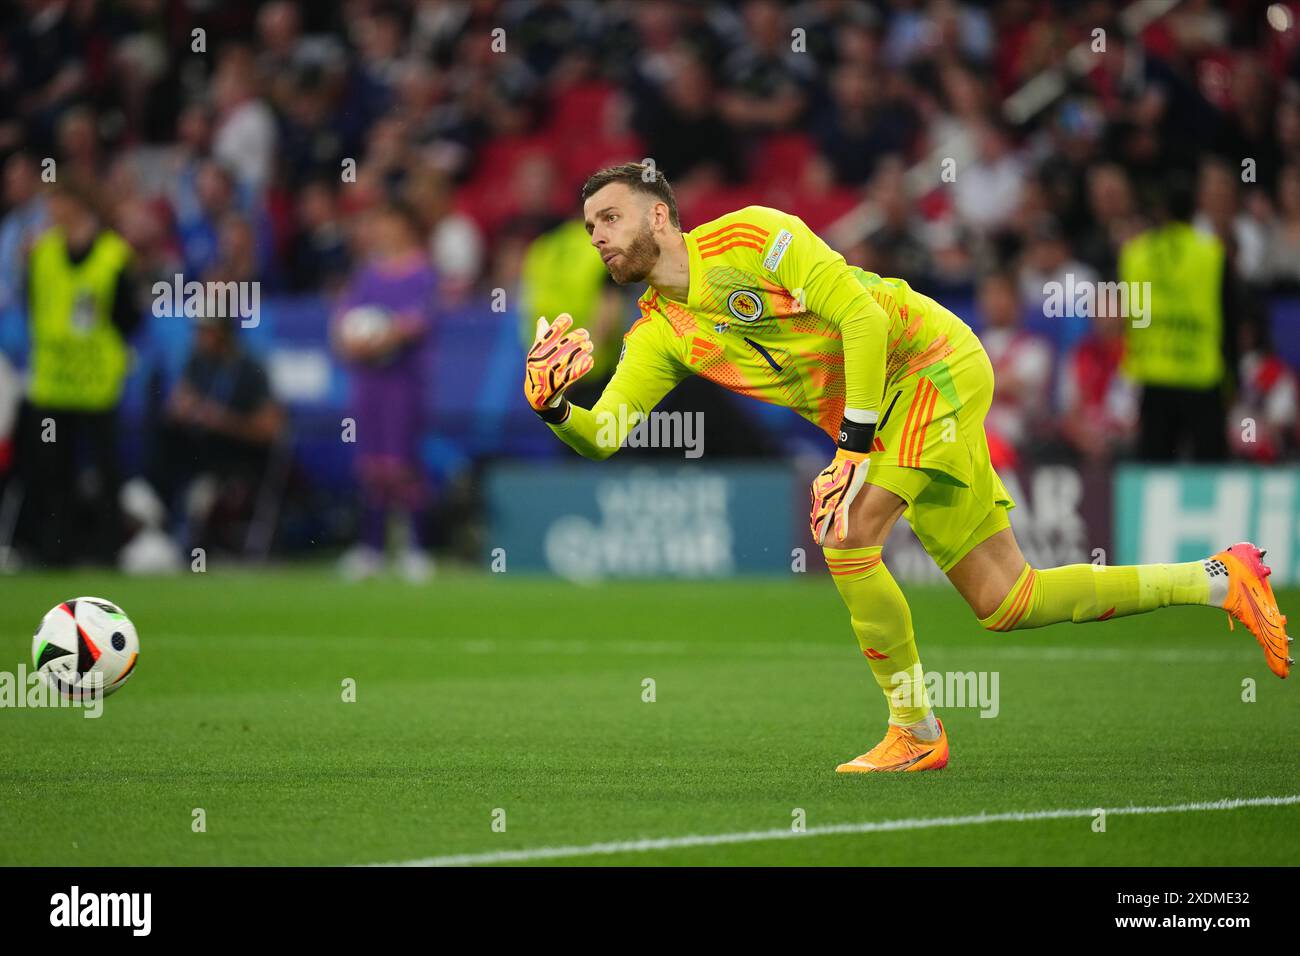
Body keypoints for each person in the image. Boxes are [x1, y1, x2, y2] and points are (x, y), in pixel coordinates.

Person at [525, 163, 1293, 774]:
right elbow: (606, 435)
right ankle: (1220, 579)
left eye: (612, 217)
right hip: (888, 413)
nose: (598, 235)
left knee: (845, 531)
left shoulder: (755, 237)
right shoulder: (659, 332)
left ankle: (914, 730)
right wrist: (558, 407)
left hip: (927, 362)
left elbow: (862, 318)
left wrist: (853, 449)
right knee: (1007, 601)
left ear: (660, 215)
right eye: (591, 224)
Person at [19, 177, 139, 565]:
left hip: (97, 383)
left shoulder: (112, 255)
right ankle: (56, 552)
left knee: (106, 472)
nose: (51, 211)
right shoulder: (41, 254)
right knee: (54, 474)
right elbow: (33, 303)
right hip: (52, 383)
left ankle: (108, 552)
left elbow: (128, 316)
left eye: (58, 202)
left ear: (77, 202)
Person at [333, 200, 437, 582]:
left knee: (402, 465)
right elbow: (343, 316)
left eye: (390, 222)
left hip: (401, 380)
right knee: (372, 465)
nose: (383, 231)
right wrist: (348, 341)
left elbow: (421, 320)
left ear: (407, 226)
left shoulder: (421, 271)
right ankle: (371, 549)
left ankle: (415, 549)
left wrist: (385, 336)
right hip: (368, 380)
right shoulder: (368, 273)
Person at [146, 313, 284, 551]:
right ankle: (155, 513)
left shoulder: (250, 370)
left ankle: (198, 535)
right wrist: (183, 410)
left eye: (205, 331)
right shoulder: (196, 362)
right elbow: (177, 404)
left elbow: (272, 430)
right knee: (163, 433)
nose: (198, 337)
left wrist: (221, 420)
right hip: (201, 450)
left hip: (240, 454)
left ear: (223, 333)